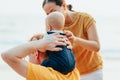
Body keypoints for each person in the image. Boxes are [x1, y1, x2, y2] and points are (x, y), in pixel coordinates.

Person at [42, 0, 103, 80]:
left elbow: (96, 46)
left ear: (64, 5)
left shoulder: (85, 19)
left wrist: (75, 39)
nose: (51, 15)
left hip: (92, 72)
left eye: (53, 11)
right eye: (47, 14)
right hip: (72, 74)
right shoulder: (54, 26)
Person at [1, 33, 80, 80]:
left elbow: (7, 55)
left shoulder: (42, 75)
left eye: (28, 55)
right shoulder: (73, 72)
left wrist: (40, 44)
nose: (28, 59)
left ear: (35, 53)